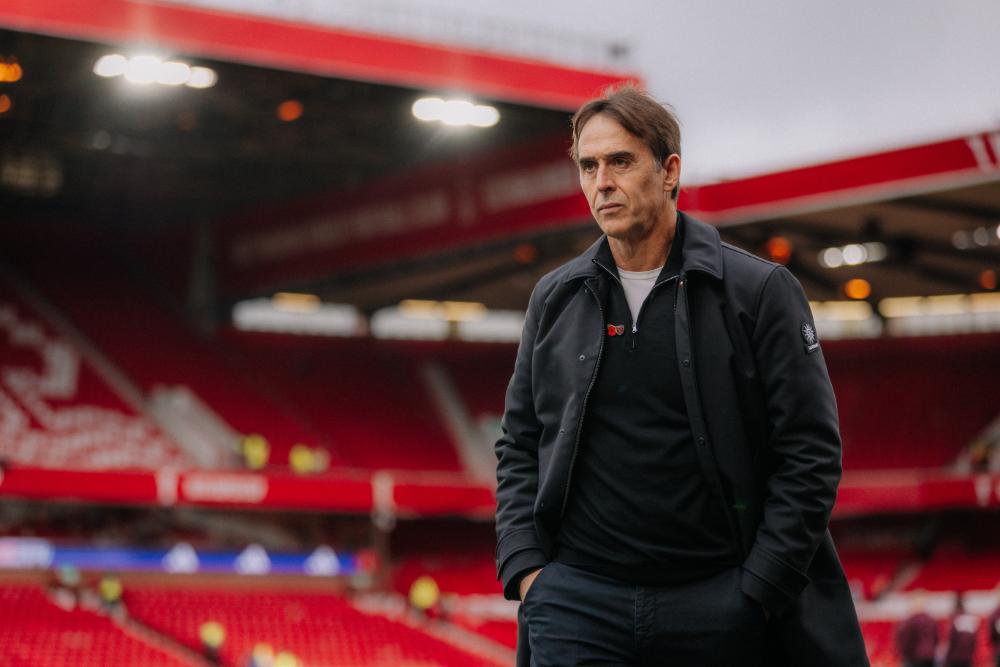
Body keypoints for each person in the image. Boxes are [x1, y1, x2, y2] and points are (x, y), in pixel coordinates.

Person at [494, 84, 868, 666]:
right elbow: (518, 442)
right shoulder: (556, 297)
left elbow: (811, 451)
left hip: (717, 603)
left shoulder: (758, 292)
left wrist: (758, 590)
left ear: (669, 171)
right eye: (589, 166)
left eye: (621, 161)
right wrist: (528, 571)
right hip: (577, 605)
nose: (602, 181)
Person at [895, 593, 938, 667]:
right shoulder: (931, 620)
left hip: (914, 658)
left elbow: (905, 641)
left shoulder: (911, 621)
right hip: (930, 657)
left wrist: (905, 655)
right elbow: (936, 638)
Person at [943, 593, 979, 667]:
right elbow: (974, 640)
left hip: (955, 657)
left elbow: (951, 639)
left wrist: (947, 658)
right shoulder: (970, 620)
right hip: (967, 656)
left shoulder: (954, 620)